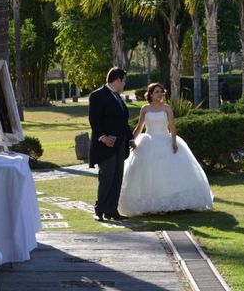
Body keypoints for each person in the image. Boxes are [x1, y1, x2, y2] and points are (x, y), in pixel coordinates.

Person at [118, 83, 213, 216]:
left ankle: (171, 203)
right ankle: (150, 204)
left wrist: (173, 143)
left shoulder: (167, 108)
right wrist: (131, 139)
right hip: (148, 142)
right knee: (149, 174)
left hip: (165, 140)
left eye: (161, 92)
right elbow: (140, 127)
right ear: (150, 94)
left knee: (169, 173)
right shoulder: (145, 109)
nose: (160, 94)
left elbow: (172, 127)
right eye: (157, 92)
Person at [88, 67, 136, 222]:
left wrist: (130, 139)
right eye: (124, 81)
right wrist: (103, 137)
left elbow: (123, 122)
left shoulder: (118, 97)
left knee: (117, 178)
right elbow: (94, 120)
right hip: (106, 145)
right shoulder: (97, 95)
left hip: (120, 145)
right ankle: (99, 210)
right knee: (107, 178)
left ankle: (112, 210)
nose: (125, 84)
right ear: (118, 80)